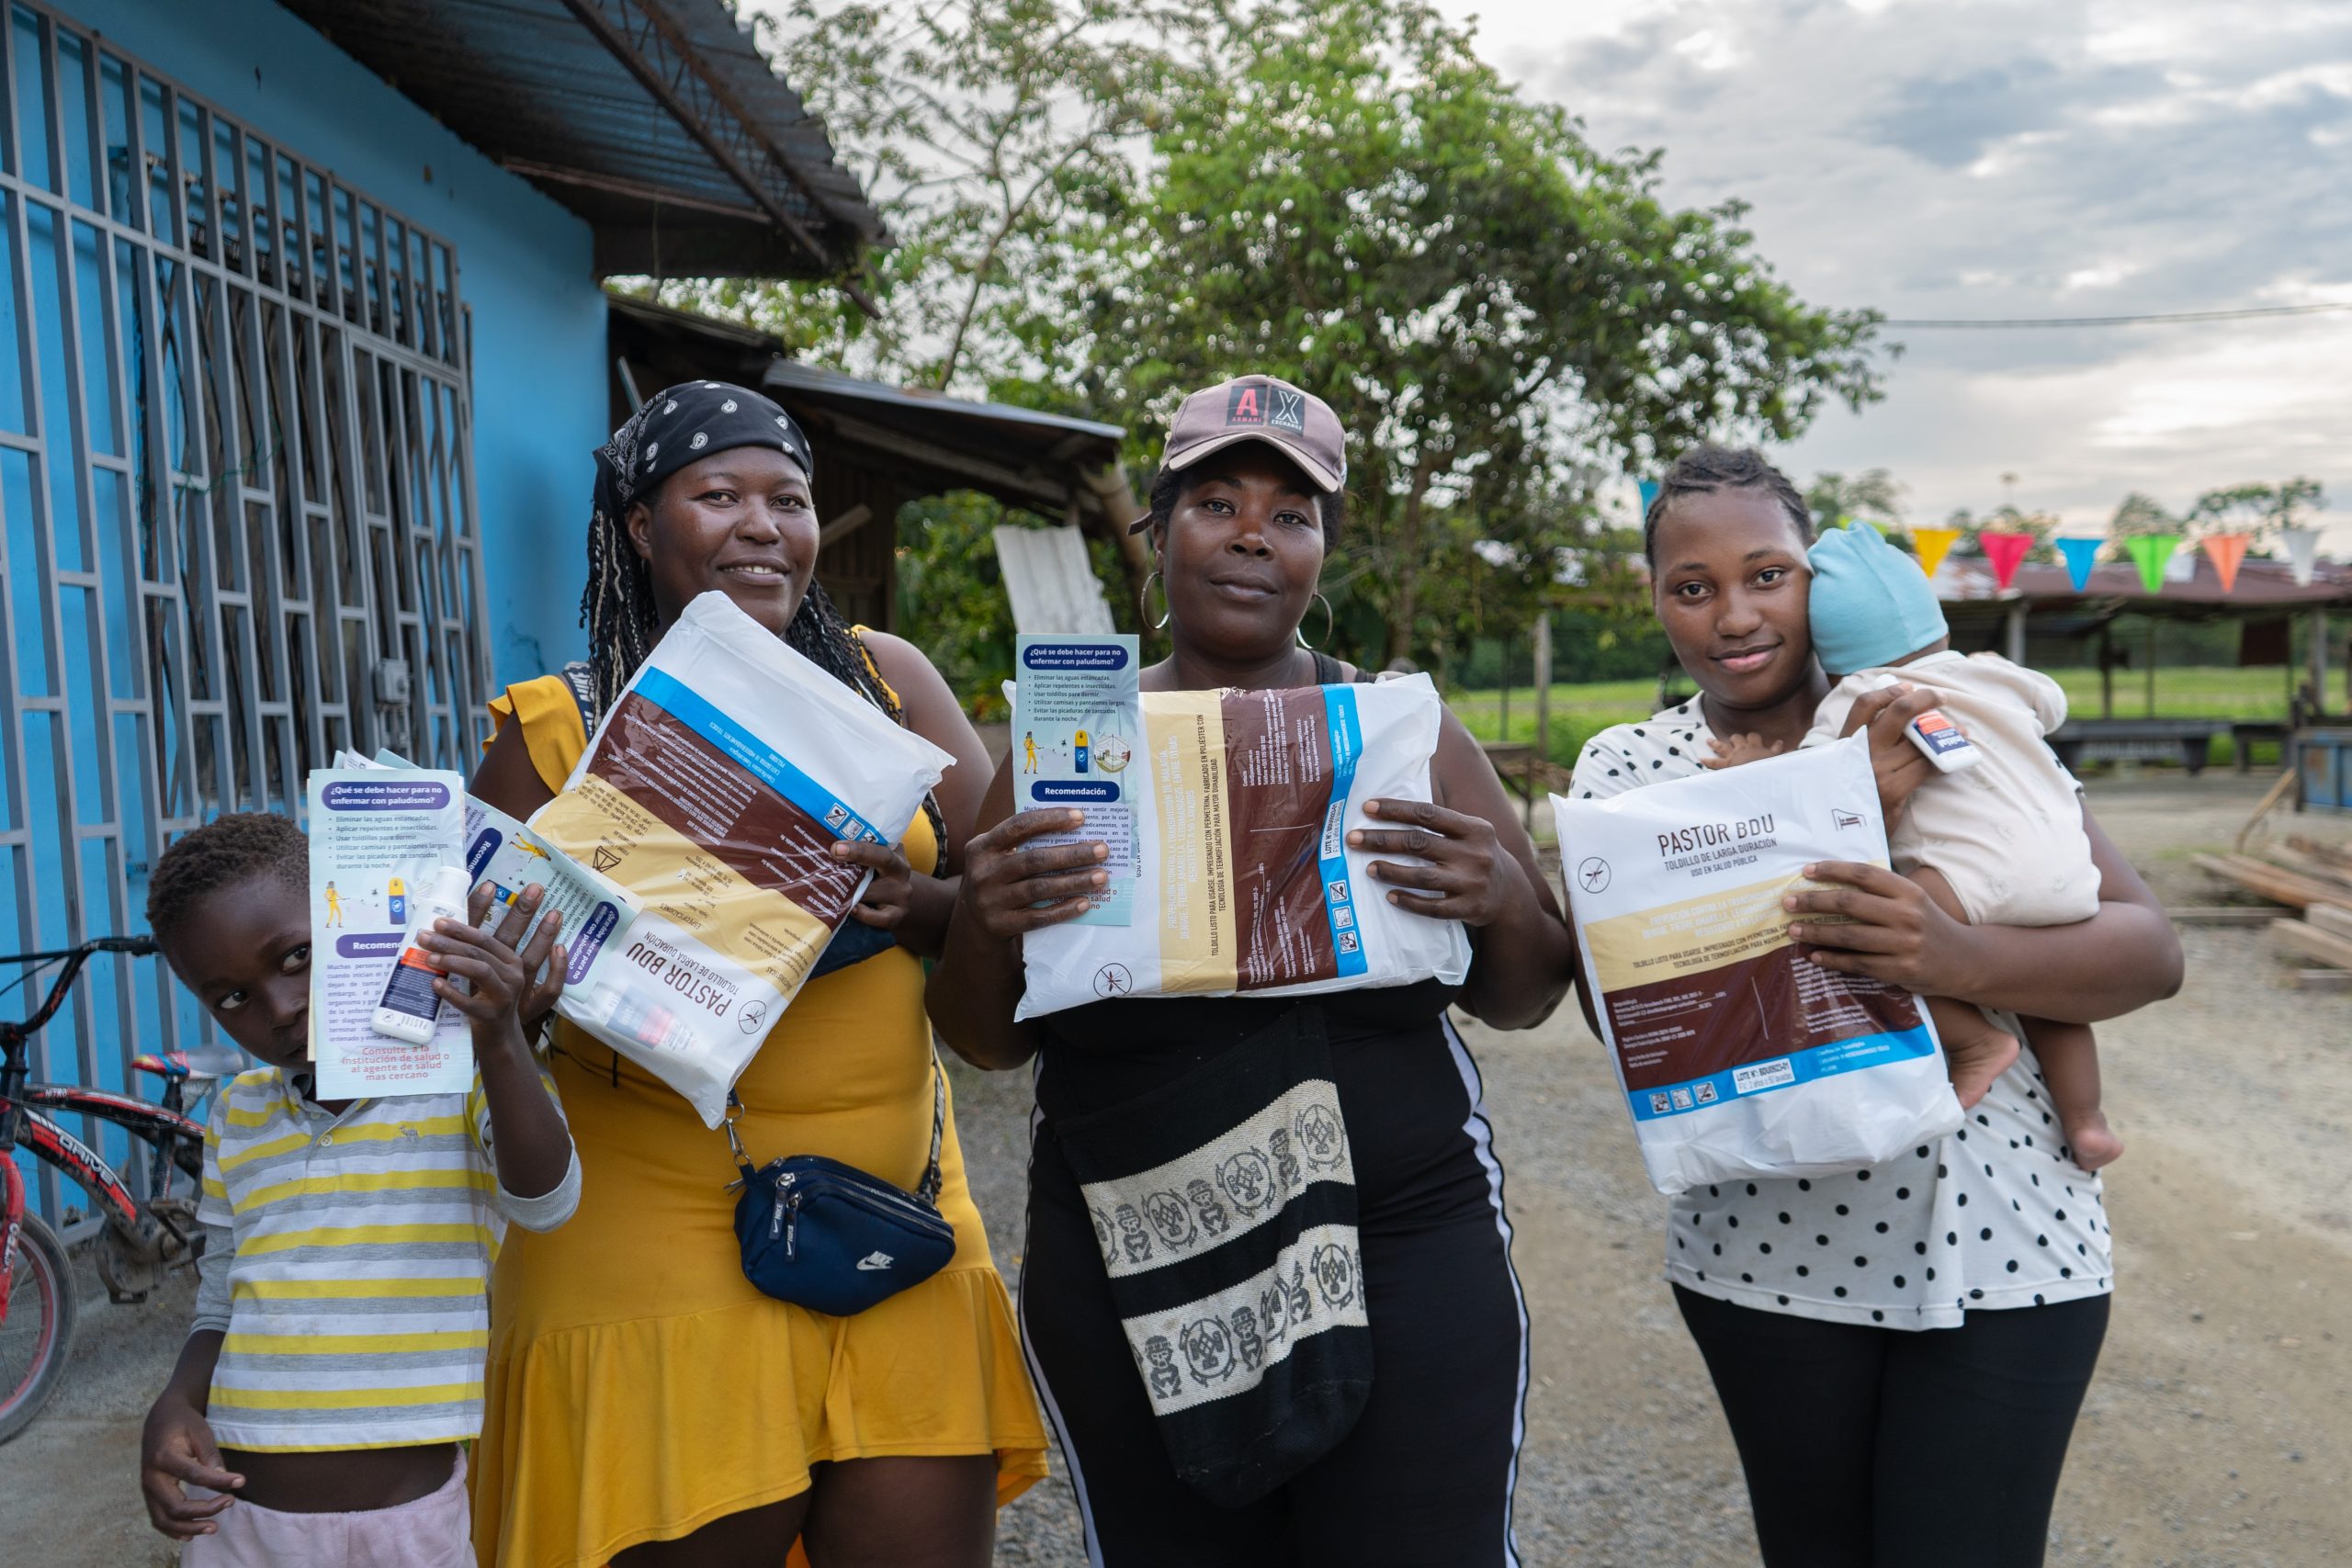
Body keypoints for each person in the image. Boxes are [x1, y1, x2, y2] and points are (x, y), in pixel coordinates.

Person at [926, 375, 1575, 1565]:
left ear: (1323, 552)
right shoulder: (1076, 740)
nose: (1251, 535)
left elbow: (1523, 996)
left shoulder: (1400, 733)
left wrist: (1497, 896)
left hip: (1401, 1234)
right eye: (1217, 502)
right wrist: (979, 918)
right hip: (1130, 1245)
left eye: (1291, 514)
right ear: (1158, 528)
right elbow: (987, 1042)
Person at [466, 382, 1046, 1568]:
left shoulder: (889, 683)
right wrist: (516, 993)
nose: (760, 526)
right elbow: (473, 977)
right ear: (641, 526)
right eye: (718, 495)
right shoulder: (558, 729)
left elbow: (1006, 913)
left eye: (788, 500)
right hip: (648, 1230)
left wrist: (923, 902)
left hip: (898, 1210)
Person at [1571, 445, 2182, 1567]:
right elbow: (1628, 1017)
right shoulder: (1633, 772)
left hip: (2011, 1239)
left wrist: (1957, 956)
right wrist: (1836, 808)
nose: (1734, 614)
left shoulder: (1939, 712)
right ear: (1653, 600)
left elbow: (2146, 950)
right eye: (1691, 587)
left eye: (1768, 575)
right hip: (1767, 1256)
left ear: (1818, 579)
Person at [135, 812, 579, 1564]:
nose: (281, 1006)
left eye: (297, 956)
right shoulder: (239, 1113)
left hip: (409, 1531)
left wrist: (501, 1038)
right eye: (232, 998)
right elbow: (219, 1304)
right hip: (238, 1531)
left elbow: (549, 1201)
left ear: (356, 921)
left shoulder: (464, 1077)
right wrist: (175, 1401)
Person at [1707, 522, 2119, 1166]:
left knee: (1857, 937)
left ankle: (1976, 1041)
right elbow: (2052, 704)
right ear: (1938, 627)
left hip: (1968, 878)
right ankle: (2087, 1120)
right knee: (2050, 1000)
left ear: (1831, 658)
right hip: (2070, 872)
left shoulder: (1856, 700)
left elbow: (1809, 784)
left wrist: (1751, 766)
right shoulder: (1997, 675)